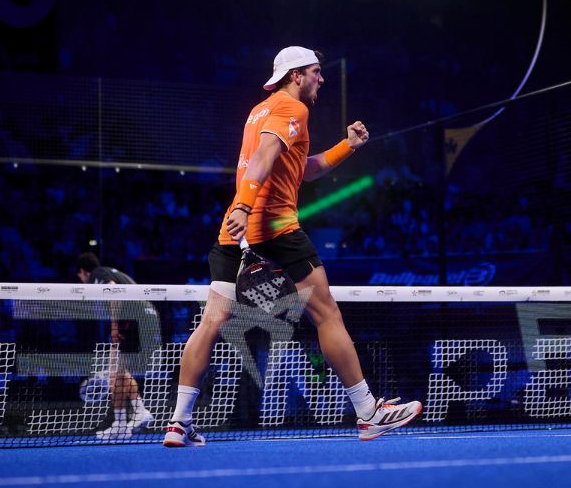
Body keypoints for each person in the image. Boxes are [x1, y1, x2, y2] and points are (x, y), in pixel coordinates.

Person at [163, 46, 423, 447]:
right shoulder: (293, 108)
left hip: (233, 234)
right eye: (316, 71)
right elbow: (265, 156)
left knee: (211, 321)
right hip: (275, 229)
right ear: (296, 75)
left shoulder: (259, 111)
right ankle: (368, 413)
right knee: (327, 314)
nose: (322, 78)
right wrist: (246, 205)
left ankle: (179, 422)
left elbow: (301, 169)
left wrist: (347, 146)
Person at [76, 252, 155, 439]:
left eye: (79, 276)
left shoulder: (96, 275)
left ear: (83, 272)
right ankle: (134, 415)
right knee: (118, 372)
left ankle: (123, 422)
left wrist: (114, 325)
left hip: (132, 318)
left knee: (115, 372)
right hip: (145, 317)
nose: (81, 280)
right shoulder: (111, 271)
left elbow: (113, 291)